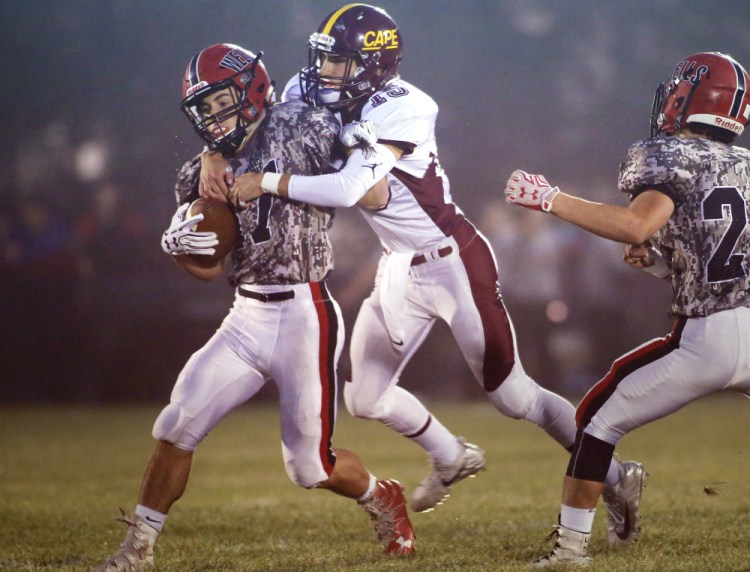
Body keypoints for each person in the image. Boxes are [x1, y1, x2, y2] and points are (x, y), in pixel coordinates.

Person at [199, 2, 639, 526]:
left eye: (338, 62)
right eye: (324, 59)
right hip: (399, 263)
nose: (323, 73)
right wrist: (213, 152)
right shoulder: (313, 86)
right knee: (364, 395)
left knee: (513, 397)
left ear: (374, 65)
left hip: (452, 260)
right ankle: (453, 455)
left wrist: (265, 181)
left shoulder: (407, 106)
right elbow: (254, 114)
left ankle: (615, 477)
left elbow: (352, 189)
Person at [93, 43, 414, 571]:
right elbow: (210, 269)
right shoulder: (200, 171)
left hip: (306, 310)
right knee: (177, 423)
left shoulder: (304, 124)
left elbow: (370, 187)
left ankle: (383, 495)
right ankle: (138, 548)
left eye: (221, 102)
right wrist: (179, 250)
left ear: (252, 89)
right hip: (245, 314)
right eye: (204, 109)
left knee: (309, 467)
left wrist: (364, 150)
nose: (213, 118)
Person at [504, 51, 750, 566]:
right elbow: (721, 257)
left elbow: (636, 224)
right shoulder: (745, 166)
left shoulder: (671, 154)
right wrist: (661, 263)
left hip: (707, 340)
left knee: (595, 419)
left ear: (688, 97)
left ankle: (571, 549)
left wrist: (550, 199)